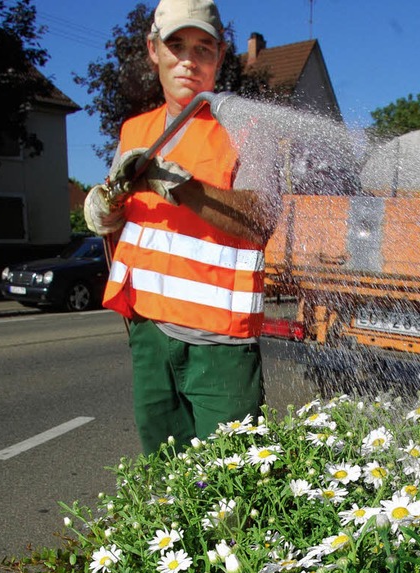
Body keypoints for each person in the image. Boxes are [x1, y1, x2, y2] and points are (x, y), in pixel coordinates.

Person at [84, 0, 281, 455]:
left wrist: (182, 187)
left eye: (203, 48)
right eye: (176, 45)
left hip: (219, 345)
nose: (189, 60)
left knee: (230, 484)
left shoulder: (250, 130)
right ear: (154, 50)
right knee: (166, 480)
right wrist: (106, 209)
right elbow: (124, 221)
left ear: (221, 54)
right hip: (149, 332)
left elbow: (259, 221)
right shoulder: (136, 131)